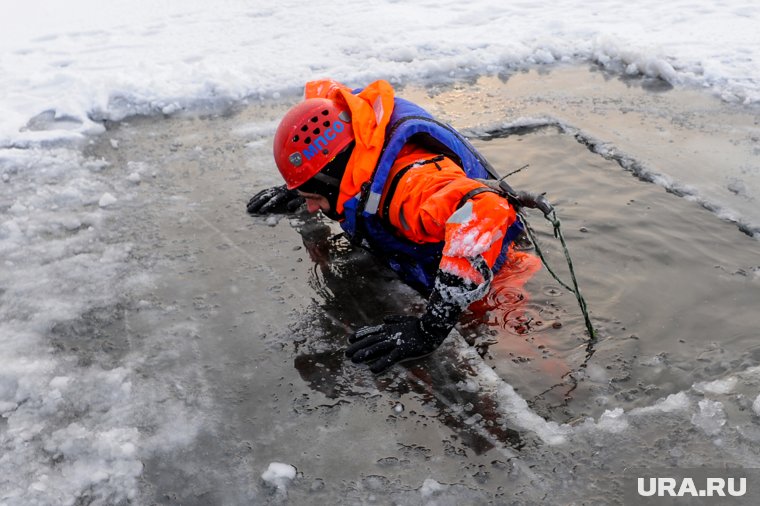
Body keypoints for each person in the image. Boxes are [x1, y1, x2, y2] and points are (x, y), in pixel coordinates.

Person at [247, 78, 541, 374]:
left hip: (498, 274)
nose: (310, 208)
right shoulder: (348, 131)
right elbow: (328, 114)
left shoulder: (410, 188)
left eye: (314, 197)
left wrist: (431, 328)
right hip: (405, 228)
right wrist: (300, 182)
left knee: (524, 358)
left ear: (333, 177)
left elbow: (484, 207)